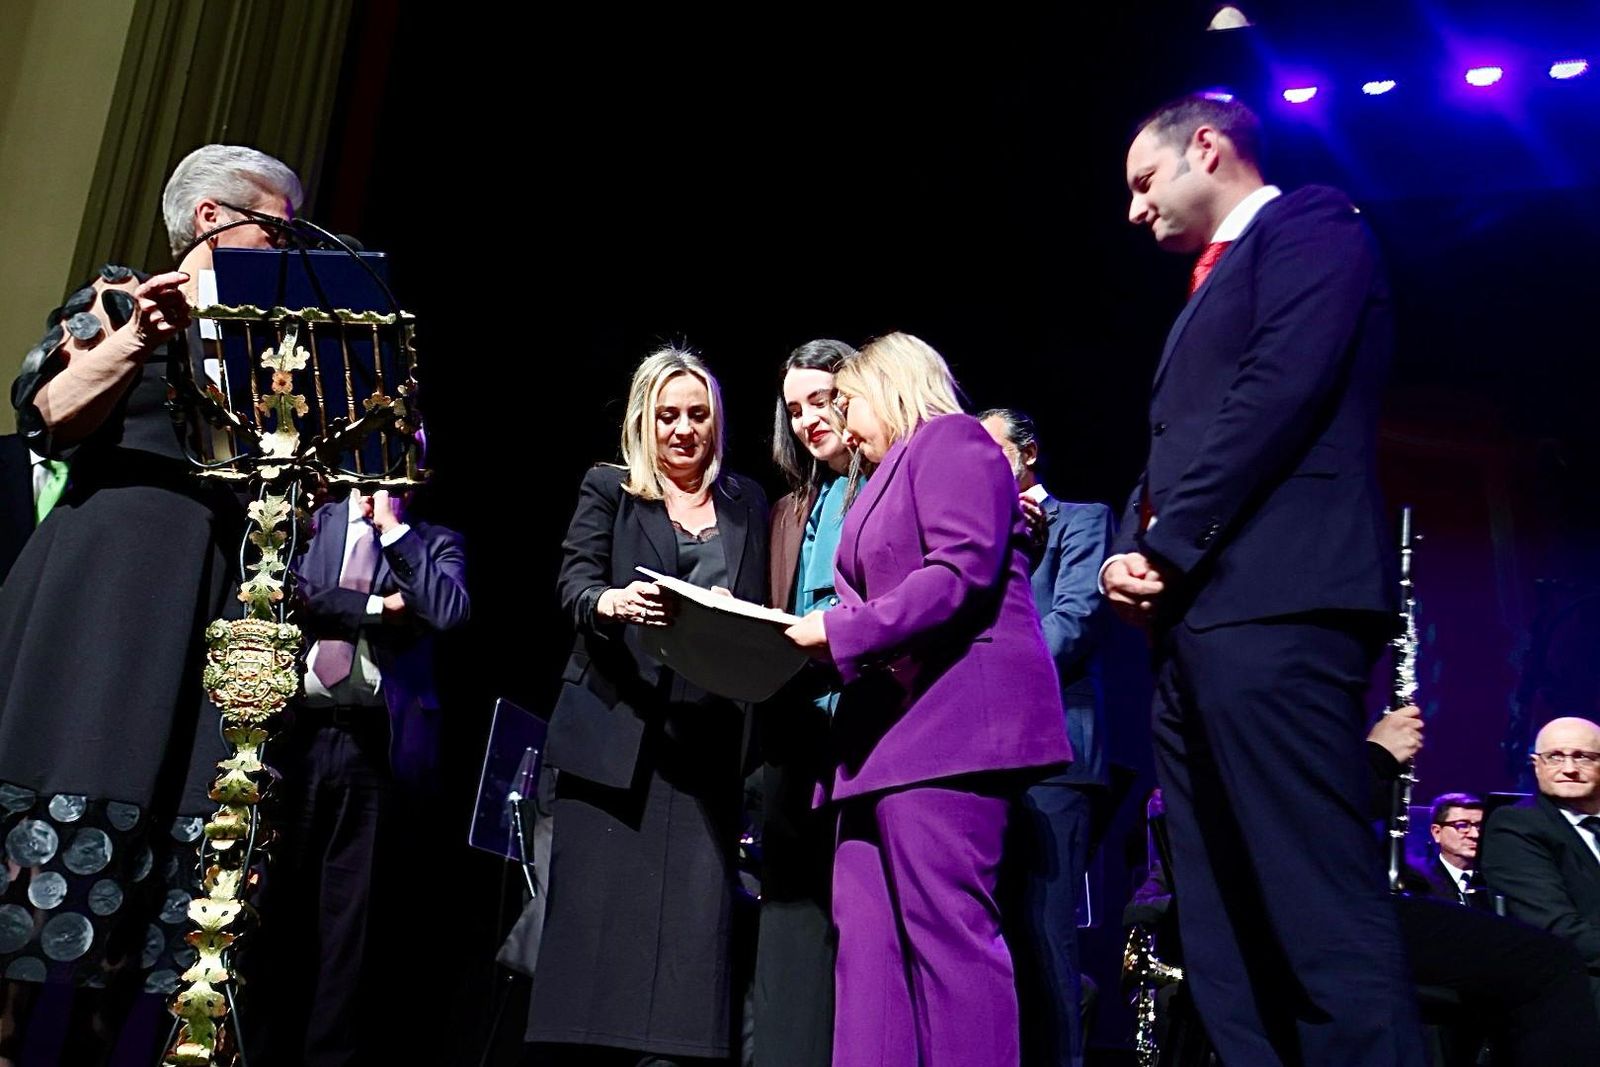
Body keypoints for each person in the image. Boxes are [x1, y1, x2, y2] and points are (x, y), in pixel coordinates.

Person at [1101, 93, 1424, 1065]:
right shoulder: (1205, 287)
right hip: (1195, 627)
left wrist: (1165, 543)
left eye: (1143, 182)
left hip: (1278, 606)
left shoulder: (1313, 226)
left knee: (1311, 902)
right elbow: (1182, 442)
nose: (1133, 209)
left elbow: (1276, 392)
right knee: (1219, 918)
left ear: (1205, 146)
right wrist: (1126, 543)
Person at [0, 144, 302, 1063]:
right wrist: (137, 338)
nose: (290, 246)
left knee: (166, 888)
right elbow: (48, 413)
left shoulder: (279, 342)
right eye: (277, 226)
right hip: (103, 592)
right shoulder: (116, 298)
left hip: (211, 598)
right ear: (212, 217)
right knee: (43, 864)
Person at [783, 331, 1071, 1067]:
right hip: (879, 743)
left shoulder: (950, 441)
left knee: (948, 943)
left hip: (949, 730)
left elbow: (959, 571)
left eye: (847, 402)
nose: (841, 423)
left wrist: (842, 631)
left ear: (892, 387)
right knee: (868, 958)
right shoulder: (877, 478)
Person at [528, 347, 769, 1064]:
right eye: (668, 416)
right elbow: (574, 581)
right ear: (644, 420)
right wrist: (610, 601)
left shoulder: (747, 502)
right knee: (599, 946)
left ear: (716, 421)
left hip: (705, 748)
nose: (683, 429)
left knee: (692, 945)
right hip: (616, 738)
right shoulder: (610, 488)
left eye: (697, 415)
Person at [250, 487, 468, 1065]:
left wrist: (394, 532)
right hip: (295, 738)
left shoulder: (434, 542)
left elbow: (446, 610)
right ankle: (256, 1049)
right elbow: (289, 595)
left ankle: (329, 1057)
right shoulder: (308, 523)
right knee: (271, 902)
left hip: (375, 748)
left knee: (352, 919)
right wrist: (377, 608)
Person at [979, 408, 1112, 1067]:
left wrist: (992, 672)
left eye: (993, 451)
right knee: (995, 935)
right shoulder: (974, 534)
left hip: (1055, 754)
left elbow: (1075, 618)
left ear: (1028, 453)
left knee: (1046, 935)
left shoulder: (1081, 519)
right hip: (985, 755)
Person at [754, 338, 856, 1067]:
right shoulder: (792, 508)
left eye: (821, 400)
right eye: (795, 409)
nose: (809, 419)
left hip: (866, 730)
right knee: (792, 927)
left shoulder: (888, 483)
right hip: (796, 734)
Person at [1480, 716, 1600, 1016]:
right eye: (1555, 757)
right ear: (1536, 765)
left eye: (1583, 757)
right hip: (1580, 994)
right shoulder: (1516, 825)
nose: (1569, 768)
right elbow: (1557, 930)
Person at [1424, 793, 1486, 905]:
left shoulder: (1495, 881)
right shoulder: (1420, 882)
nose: (1475, 835)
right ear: (1437, 832)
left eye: (1479, 826)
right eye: (1462, 826)